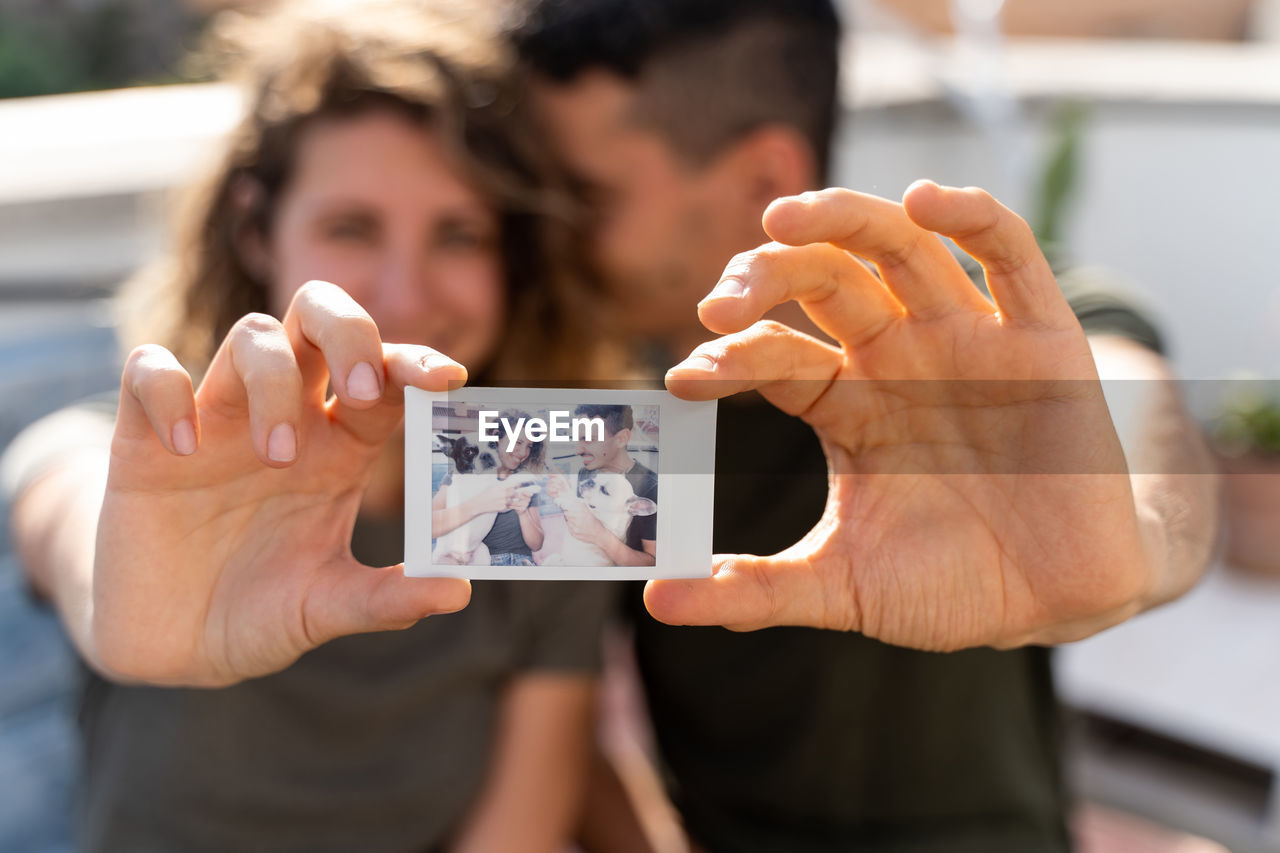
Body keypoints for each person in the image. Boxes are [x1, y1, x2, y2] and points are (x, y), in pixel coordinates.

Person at [513, 1, 1219, 851]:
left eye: (585, 196)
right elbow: (532, 706)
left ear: (762, 181)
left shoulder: (1002, 336)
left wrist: (1134, 538)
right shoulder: (593, 405)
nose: (545, 237)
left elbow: (1140, 416)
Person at [3, 2, 616, 850]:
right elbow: (67, 508)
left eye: (460, 234)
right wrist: (117, 586)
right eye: (350, 227)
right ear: (257, 232)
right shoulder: (130, 451)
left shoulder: (552, 477)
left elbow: (519, 829)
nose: (405, 294)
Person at [434, 407, 548, 567]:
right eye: (517, 442)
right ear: (497, 439)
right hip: (482, 564)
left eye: (529, 446)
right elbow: (428, 525)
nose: (523, 451)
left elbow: (537, 545)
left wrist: (522, 513)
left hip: (522, 564)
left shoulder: (525, 481)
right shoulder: (458, 477)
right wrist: (479, 504)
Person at [550, 404, 658, 567]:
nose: (578, 450)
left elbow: (653, 563)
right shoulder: (585, 473)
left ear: (621, 439)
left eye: (588, 439)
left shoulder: (651, 486)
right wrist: (563, 493)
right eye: (576, 439)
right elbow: (580, 527)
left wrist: (600, 535)